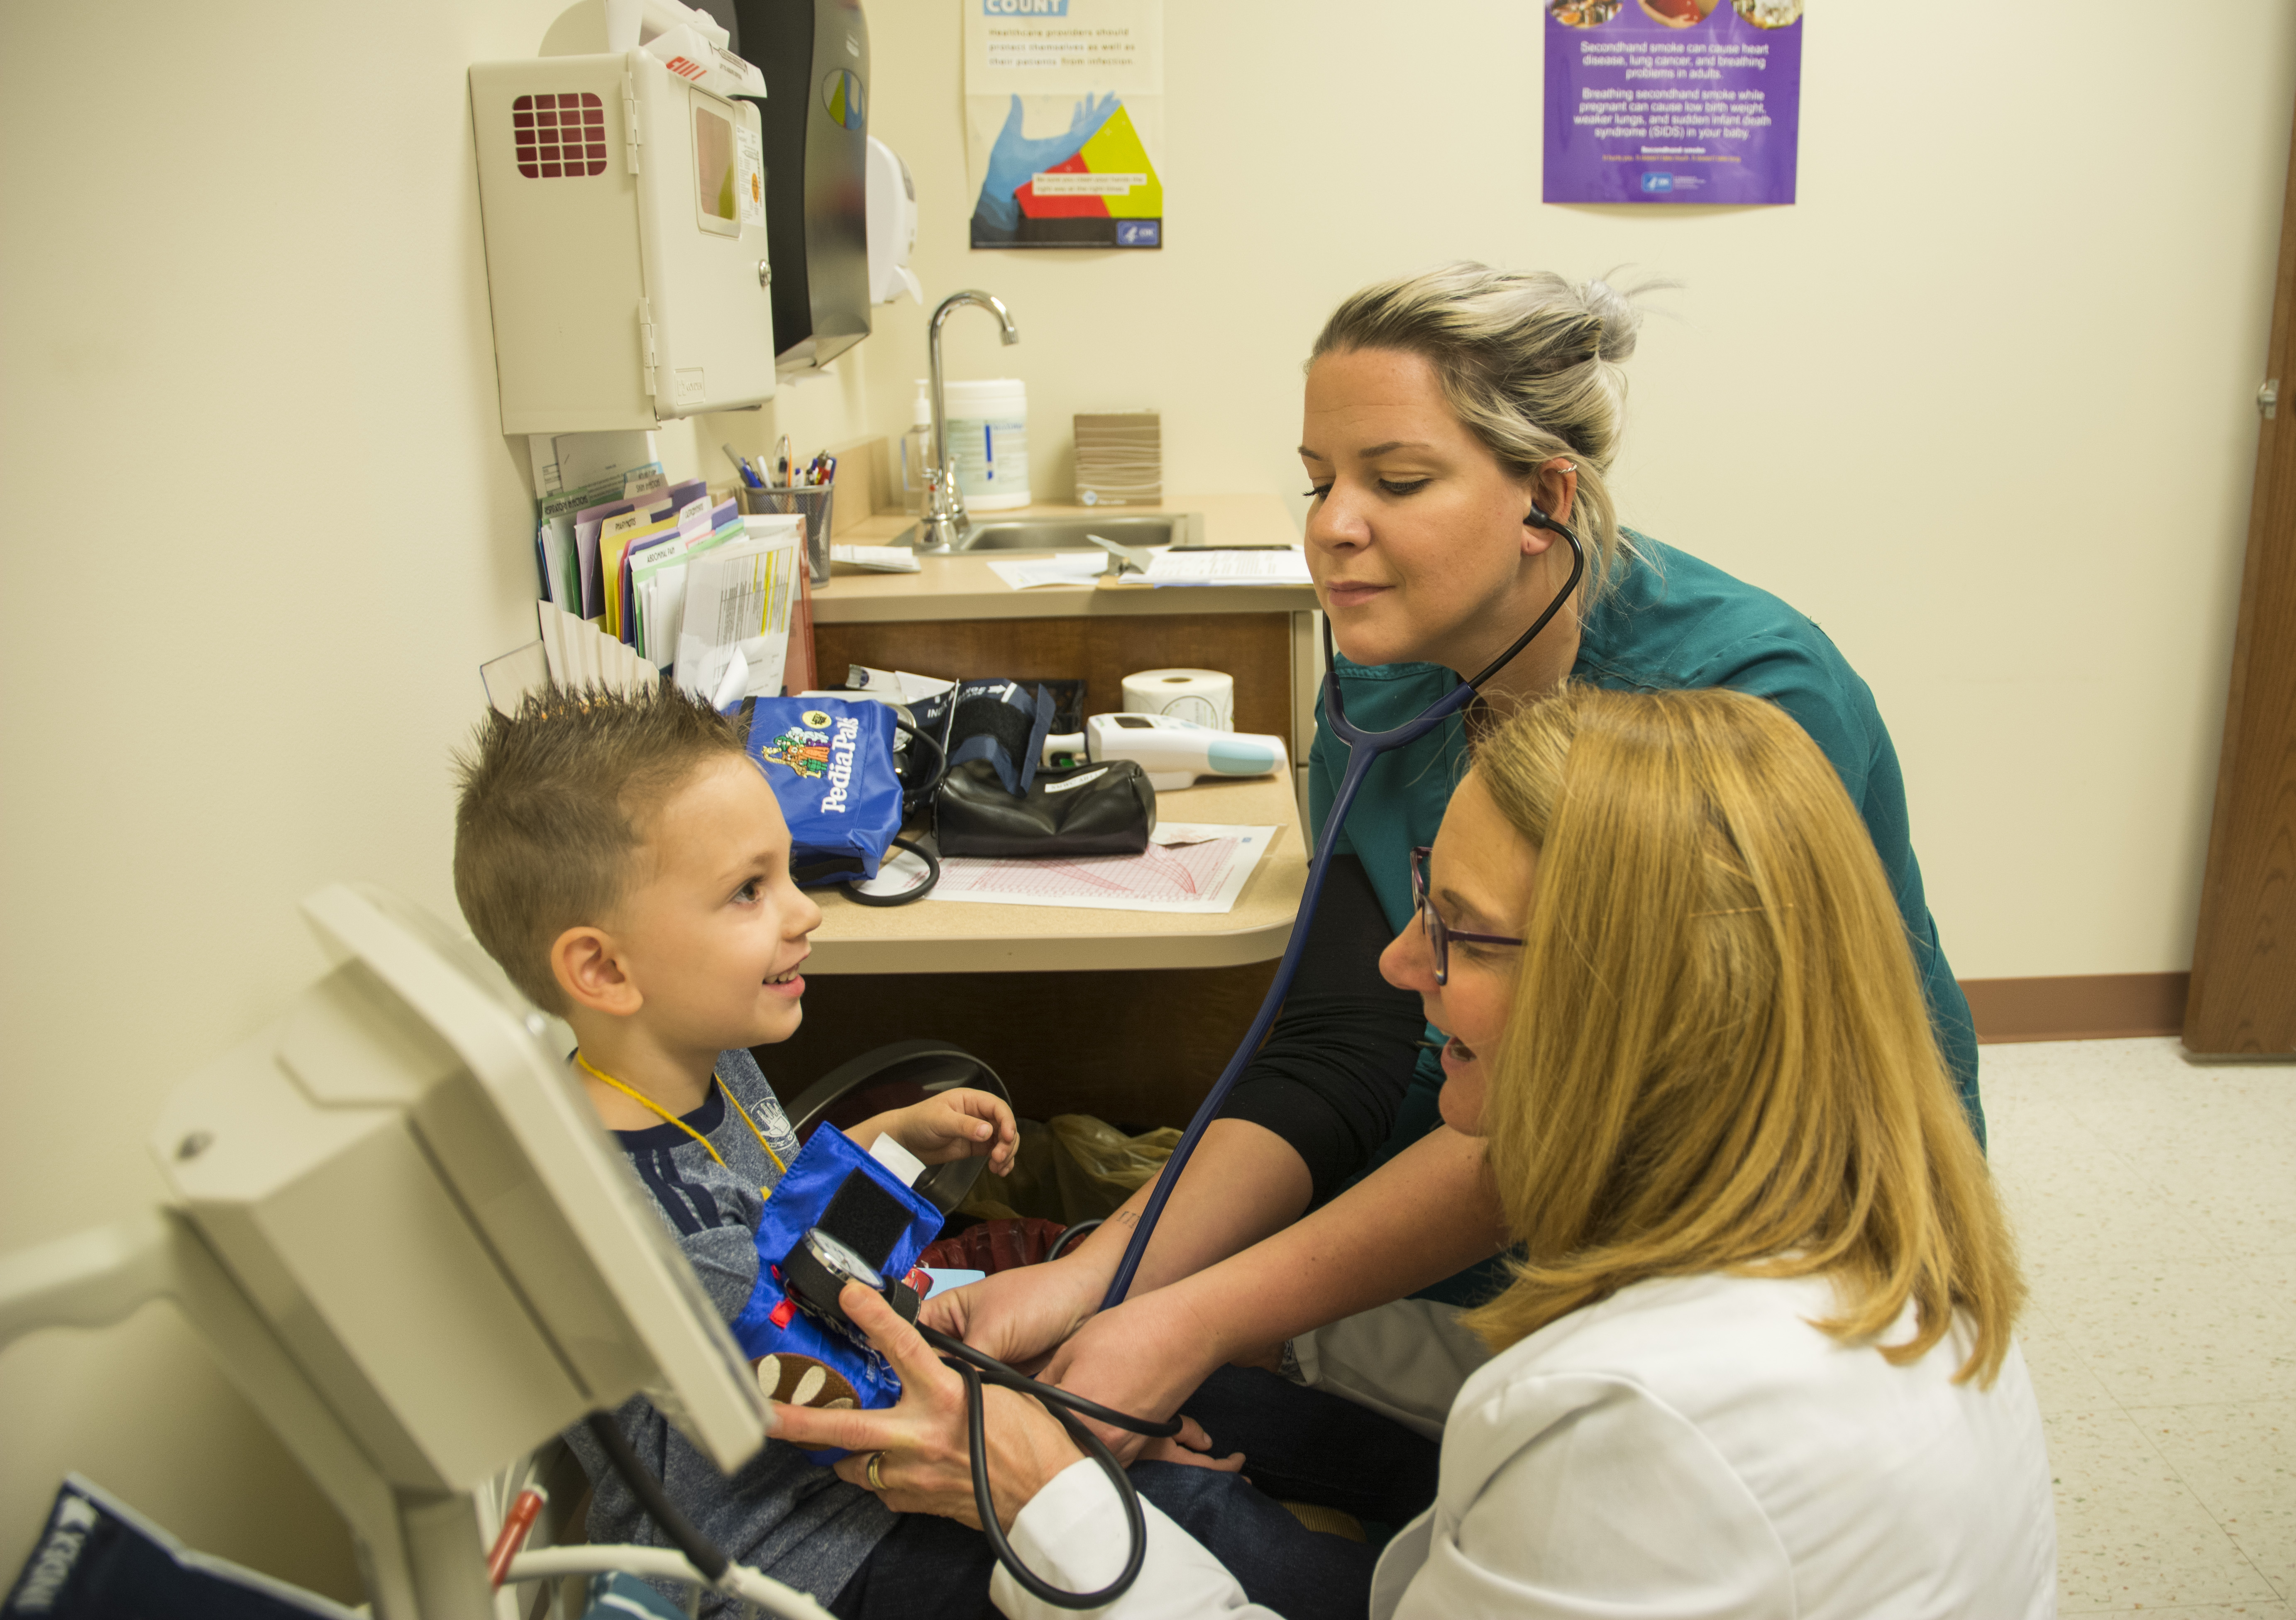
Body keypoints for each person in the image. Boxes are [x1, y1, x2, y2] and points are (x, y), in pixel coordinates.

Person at [926, 263, 1984, 1478]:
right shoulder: (1384, 677)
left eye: (1397, 479)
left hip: (1732, 1239)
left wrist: (1195, 1314)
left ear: (1545, 494)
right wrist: (1097, 1279)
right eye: (1320, 478)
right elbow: (1343, 1039)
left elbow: (1595, 1107)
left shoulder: (1743, 702)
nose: (1330, 523)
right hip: (1478, 1148)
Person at [774, 685, 2058, 1618]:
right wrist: (1226, 1332)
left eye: (1459, 933)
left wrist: (1043, 1498)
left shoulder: (1633, 1420)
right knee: (1210, 1432)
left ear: (1630, 1000)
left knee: (1129, 1514)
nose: (1401, 968)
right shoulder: (1864, 1229)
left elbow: (1570, 1431)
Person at [450, 686, 1390, 1620]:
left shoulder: (690, 1055)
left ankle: (1427, 1489)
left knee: (1216, 1387)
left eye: (785, 872)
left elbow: (775, 1206)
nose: (801, 912)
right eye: (749, 890)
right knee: (1186, 1512)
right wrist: (1083, 1445)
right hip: (812, 1545)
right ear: (605, 969)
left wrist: (884, 1140)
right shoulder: (658, 1232)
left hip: (860, 1412)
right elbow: (856, 1405)